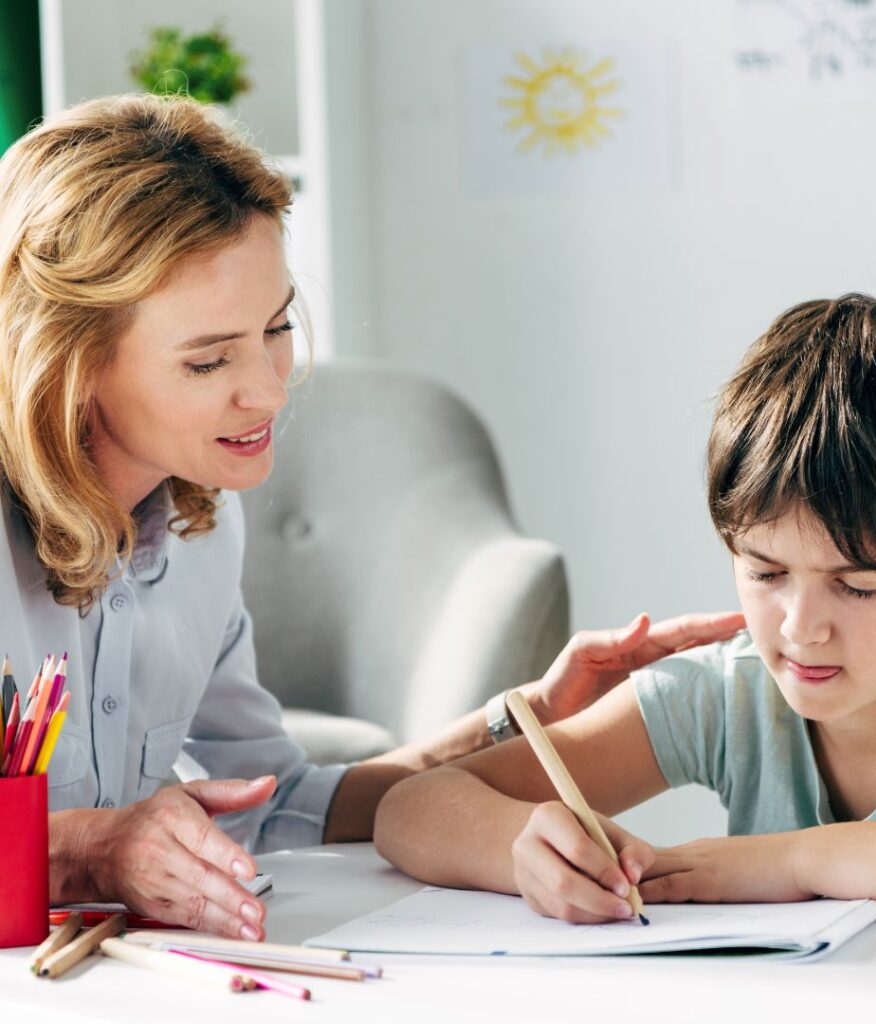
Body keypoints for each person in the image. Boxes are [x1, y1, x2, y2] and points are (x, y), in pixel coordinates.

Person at [0, 93, 743, 942]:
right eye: (207, 360)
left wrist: (525, 717)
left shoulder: (202, 533)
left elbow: (273, 805)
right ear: (65, 359)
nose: (272, 390)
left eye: (276, 328)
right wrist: (92, 849)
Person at [374, 293, 876, 925]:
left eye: (857, 586)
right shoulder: (731, 691)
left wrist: (796, 862)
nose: (801, 628)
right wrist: (522, 845)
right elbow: (409, 809)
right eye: (765, 572)